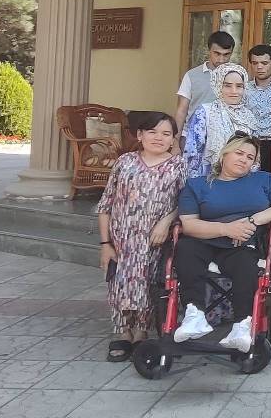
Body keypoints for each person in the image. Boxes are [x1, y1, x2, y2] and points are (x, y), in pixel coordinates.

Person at [174, 134, 271, 352]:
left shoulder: (263, 180)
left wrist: (252, 220)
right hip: (203, 241)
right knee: (184, 247)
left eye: (250, 157)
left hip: (241, 245)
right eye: (239, 153)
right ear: (224, 154)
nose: (244, 160)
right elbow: (189, 225)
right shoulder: (197, 184)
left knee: (246, 262)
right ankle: (194, 314)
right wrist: (226, 229)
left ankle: (242, 325)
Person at [98, 112, 185, 362]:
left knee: (147, 284)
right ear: (140, 135)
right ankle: (122, 331)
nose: (159, 138)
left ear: (173, 139)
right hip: (122, 240)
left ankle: (141, 331)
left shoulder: (178, 166)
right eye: (152, 132)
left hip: (155, 241)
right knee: (119, 283)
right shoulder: (125, 162)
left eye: (166, 134)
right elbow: (106, 205)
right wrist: (105, 243)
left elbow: (184, 203)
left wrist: (166, 222)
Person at [182, 63, 257, 179]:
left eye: (239, 86)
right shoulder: (205, 111)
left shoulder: (249, 117)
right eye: (227, 86)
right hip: (208, 179)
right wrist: (194, 184)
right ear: (218, 86)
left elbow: (254, 156)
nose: (234, 91)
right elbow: (192, 153)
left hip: (242, 180)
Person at [175, 31, 235, 133]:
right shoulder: (191, 75)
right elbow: (182, 110)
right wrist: (176, 139)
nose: (221, 59)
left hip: (225, 135)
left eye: (226, 54)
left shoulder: (236, 77)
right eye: (217, 53)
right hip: (193, 134)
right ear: (208, 51)